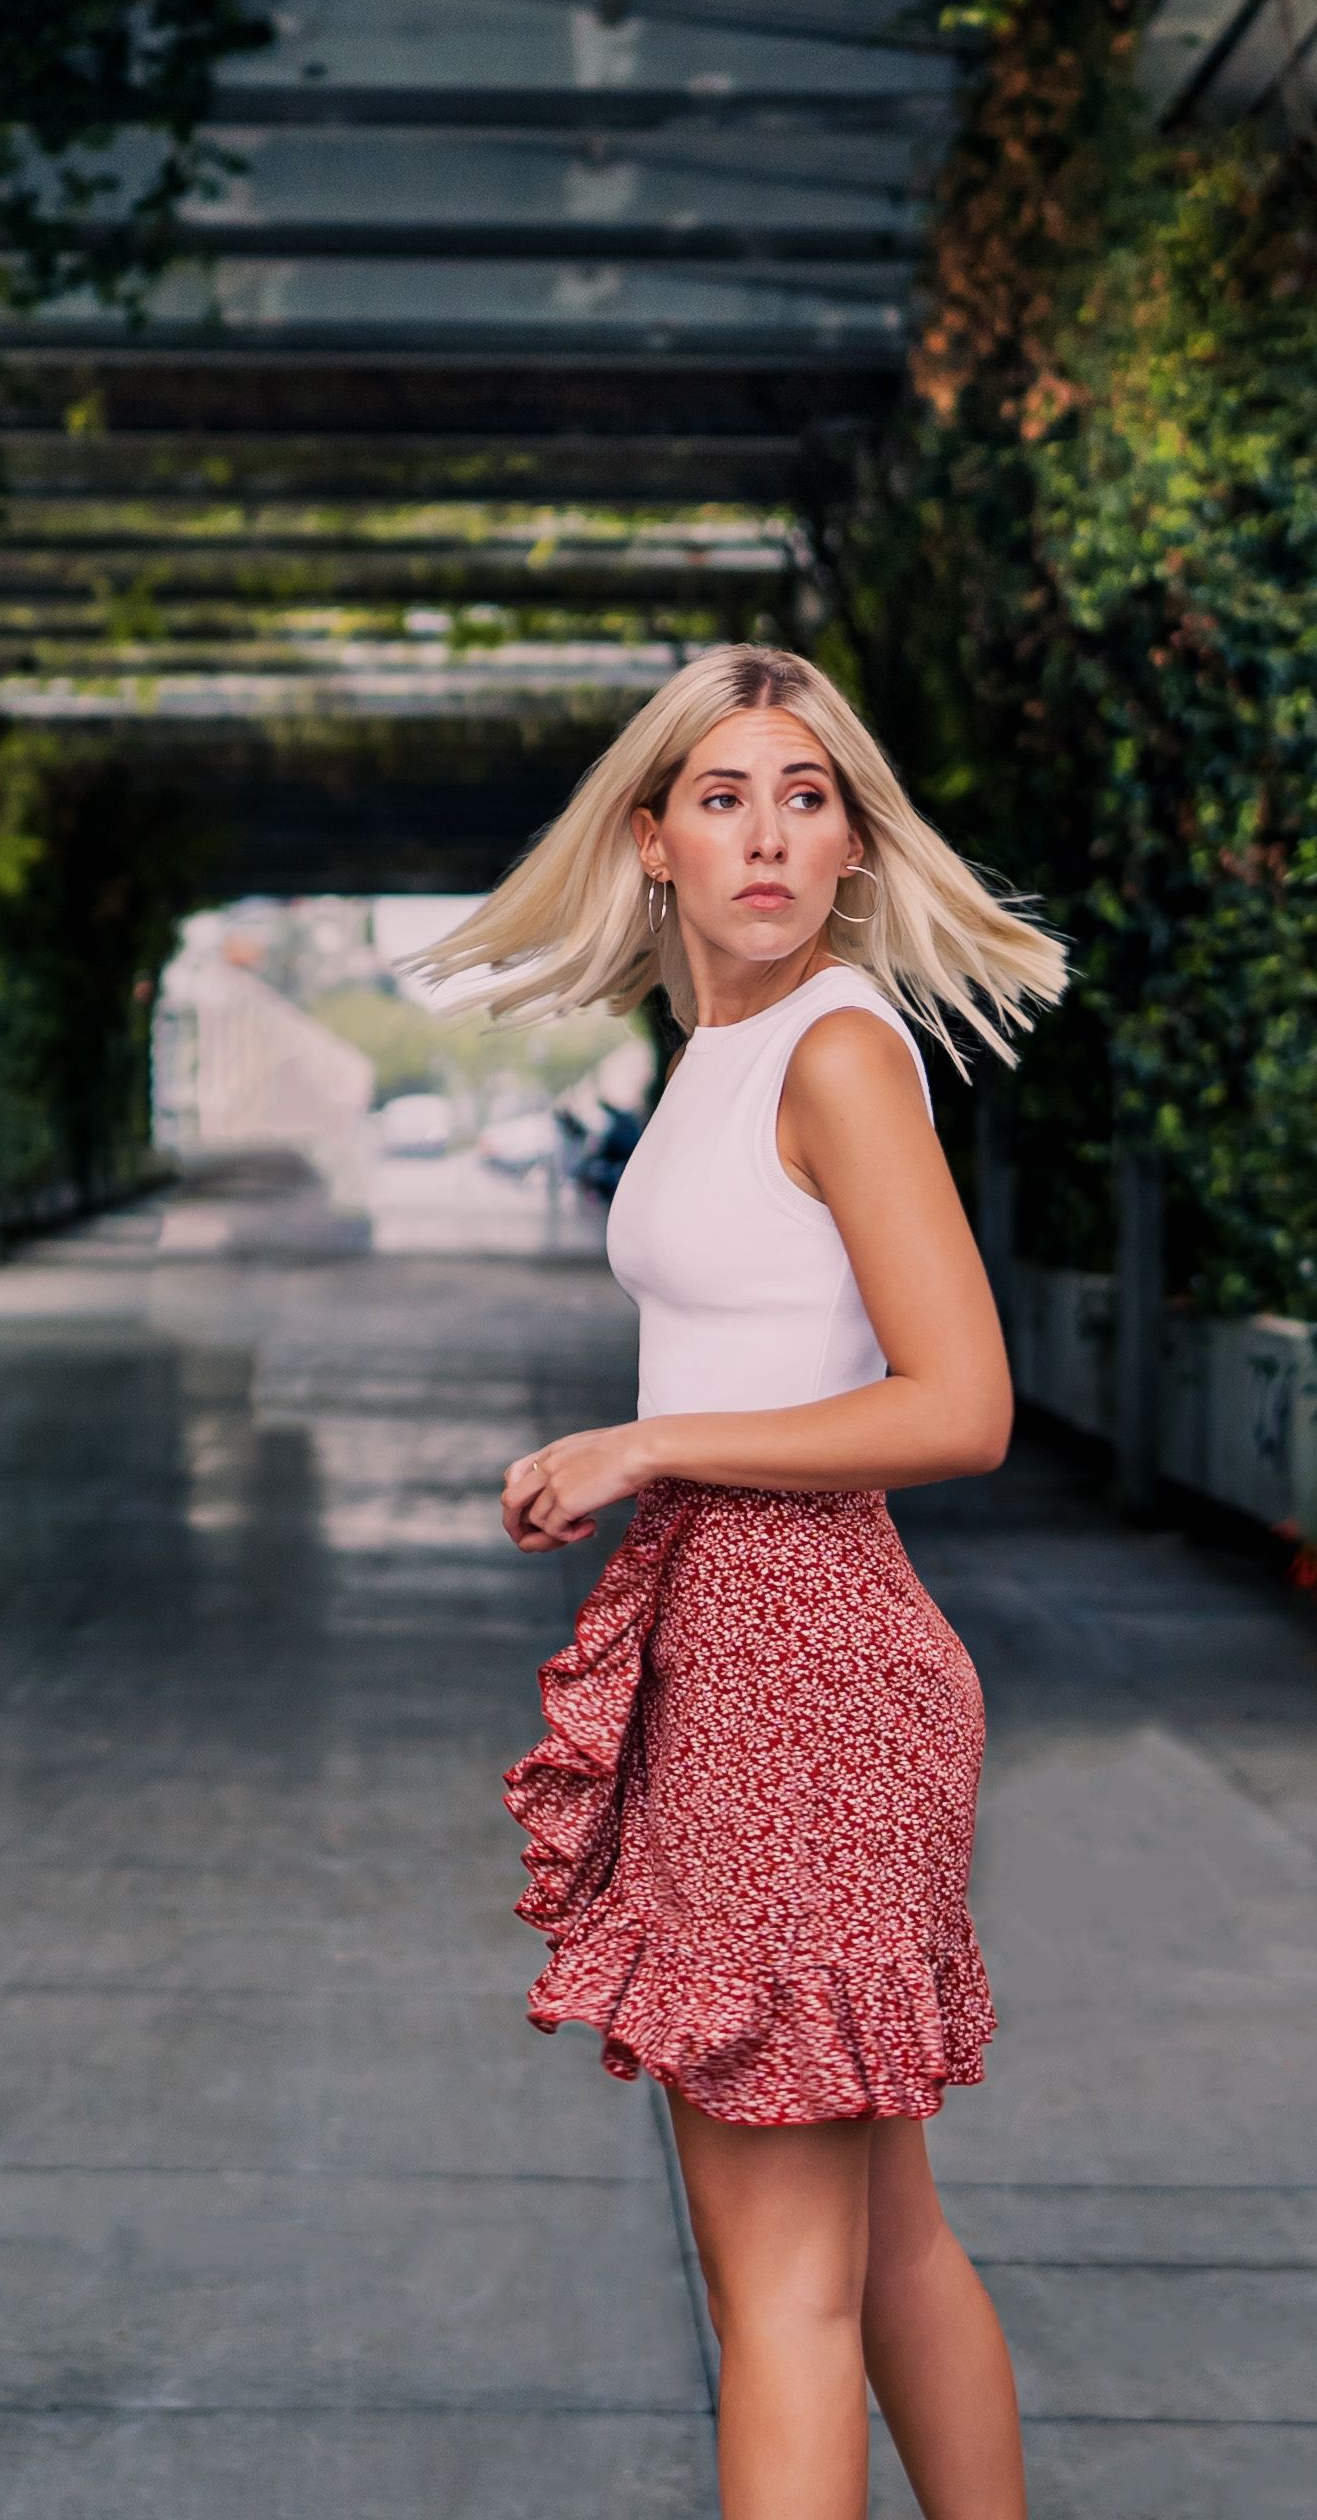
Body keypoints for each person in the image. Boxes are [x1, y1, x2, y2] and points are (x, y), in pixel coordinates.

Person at [408, 645, 1068, 2520]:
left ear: (854, 844)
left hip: (811, 1662)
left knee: (781, 2291)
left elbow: (963, 1405)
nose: (768, 835)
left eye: (806, 796)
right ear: (653, 843)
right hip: (749, 1649)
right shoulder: (724, 1054)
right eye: (724, 796)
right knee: (881, 2245)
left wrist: (646, 1451)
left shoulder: (843, 1048)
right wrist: (649, 1469)